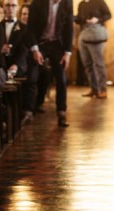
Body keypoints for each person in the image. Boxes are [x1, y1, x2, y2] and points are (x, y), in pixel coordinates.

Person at [24, 0, 74, 128]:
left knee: (61, 80)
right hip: (40, 43)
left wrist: (67, 53)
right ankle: (28, 112)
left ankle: (61, 113)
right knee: (32, 77)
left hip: (58, 44)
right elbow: (31, 27)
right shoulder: (37, 3)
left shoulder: (67, 3)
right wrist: (35, 50)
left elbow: (69, 27)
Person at [75, 0, 112, 99]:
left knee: (99, 64)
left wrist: (98, 19)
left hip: (96, 34)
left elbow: (108, 15)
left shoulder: (99, 2)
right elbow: (79, 18)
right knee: (87, 65)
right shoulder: (82, 4)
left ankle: (103, 89)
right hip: (83, 34)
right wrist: (72, 17)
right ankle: (94, 89)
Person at [0, 0, 28, 78]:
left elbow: (24, 49)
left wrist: (16, 65)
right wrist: (0, 49)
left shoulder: (24, 28)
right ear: (3, 7)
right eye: (8, 5)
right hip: (1, 63)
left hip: (18, 64)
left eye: (13, 5)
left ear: (18, 8)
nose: (10, 8)